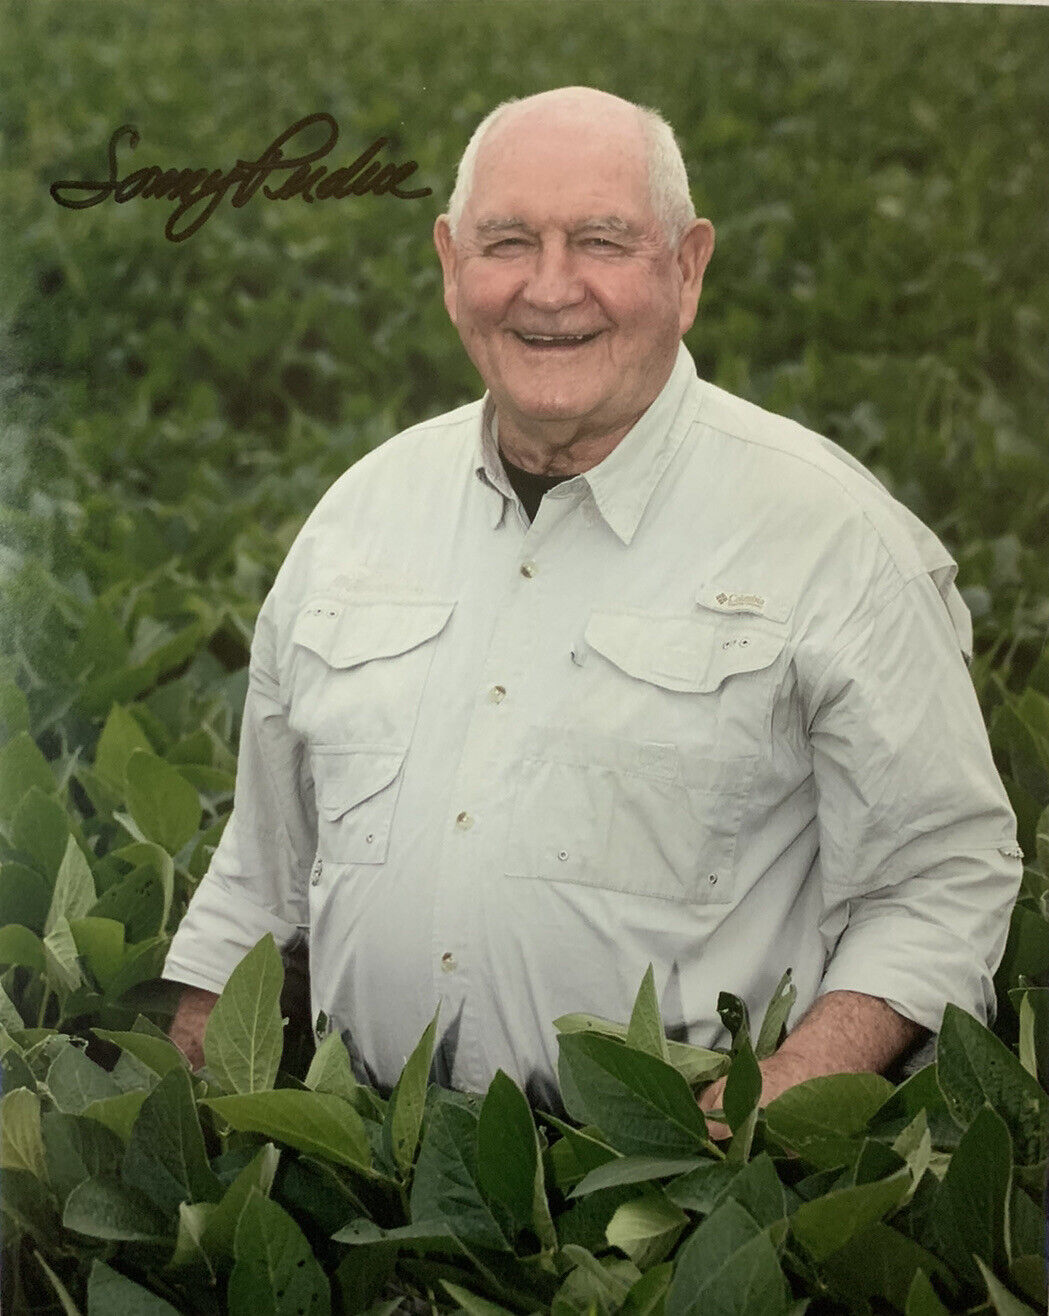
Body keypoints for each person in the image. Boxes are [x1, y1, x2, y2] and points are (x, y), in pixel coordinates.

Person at [163, 86, 1022, 1123]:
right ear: (449, 264)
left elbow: (939, 879)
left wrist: (775, 1106)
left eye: (602, 241)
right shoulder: (356, 515)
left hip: (677, 1195)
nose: (550, 287)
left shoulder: (835, 538)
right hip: (366, 1172)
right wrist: (200, 1128)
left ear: (687, 266)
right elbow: (261, 872)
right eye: (508, 241)